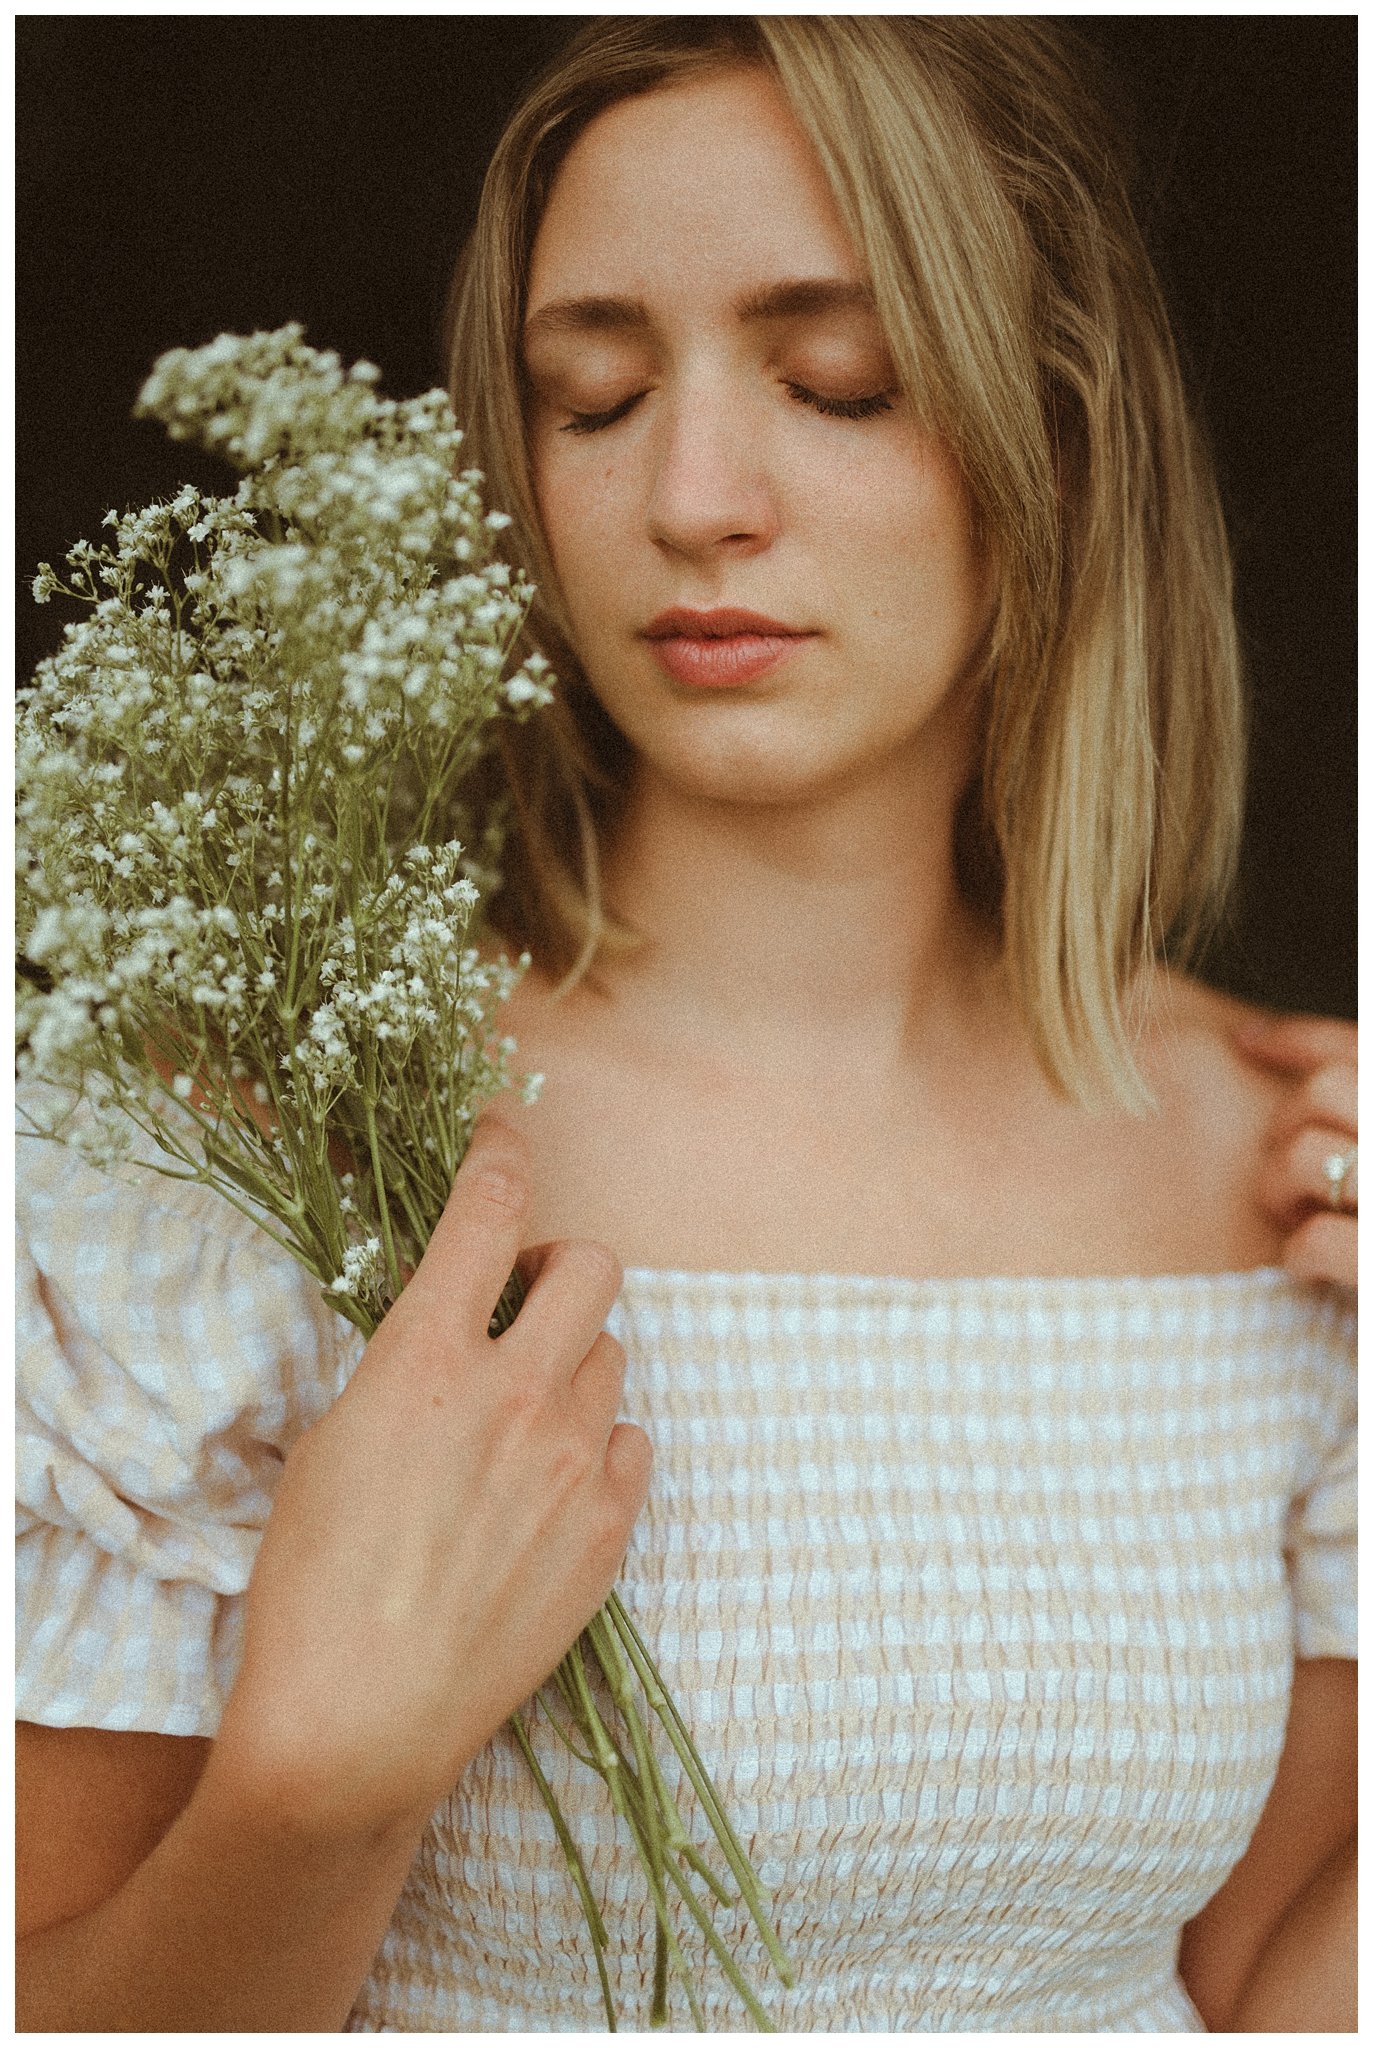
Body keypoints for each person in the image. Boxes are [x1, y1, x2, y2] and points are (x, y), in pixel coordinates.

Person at [16, 16, 1356, 2032]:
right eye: (595, 396)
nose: (692, 494)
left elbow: (1273, 1977)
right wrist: (320, 1785)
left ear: (1061, 423)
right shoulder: (256, 1157)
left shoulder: (1286, 1171)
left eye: (838, 381)